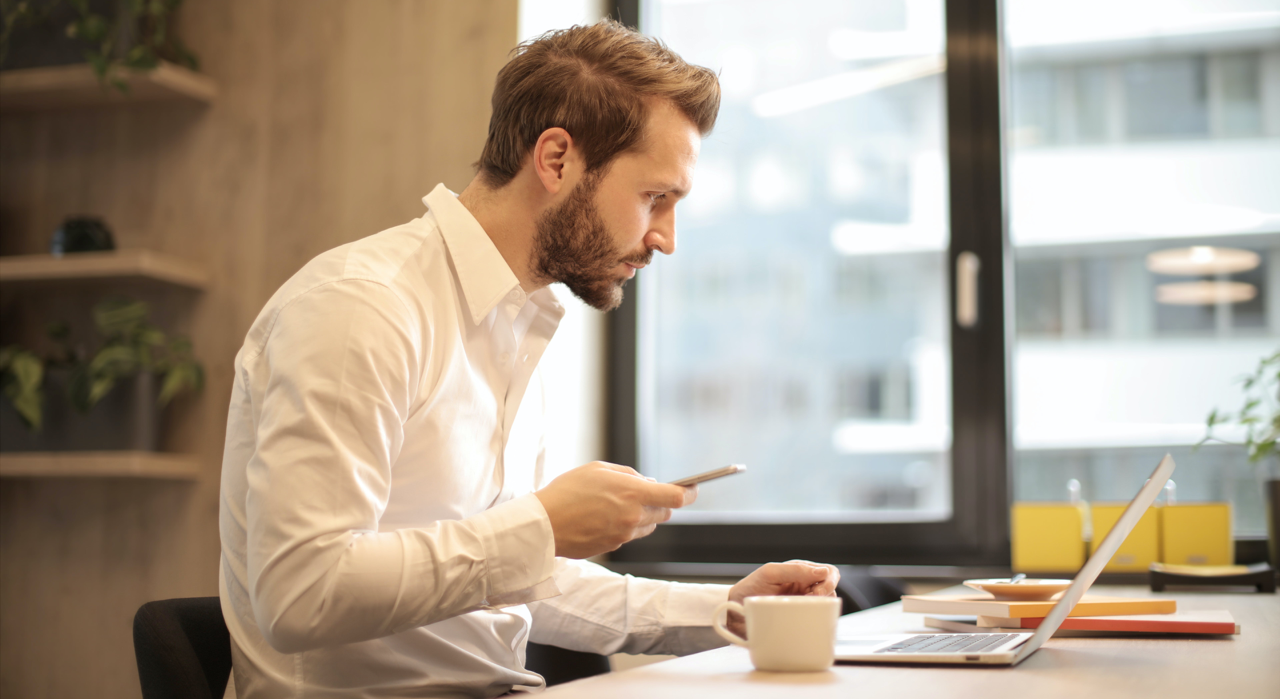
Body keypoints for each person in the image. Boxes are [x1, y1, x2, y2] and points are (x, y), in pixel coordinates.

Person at [218, 20, 839, 698]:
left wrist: (724, 609)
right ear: (556, 160)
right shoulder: (361, 307)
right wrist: (541, 524)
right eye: (653, 198)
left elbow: (506, 576)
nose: (665, 239)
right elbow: (301, 591)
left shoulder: (518, 321)